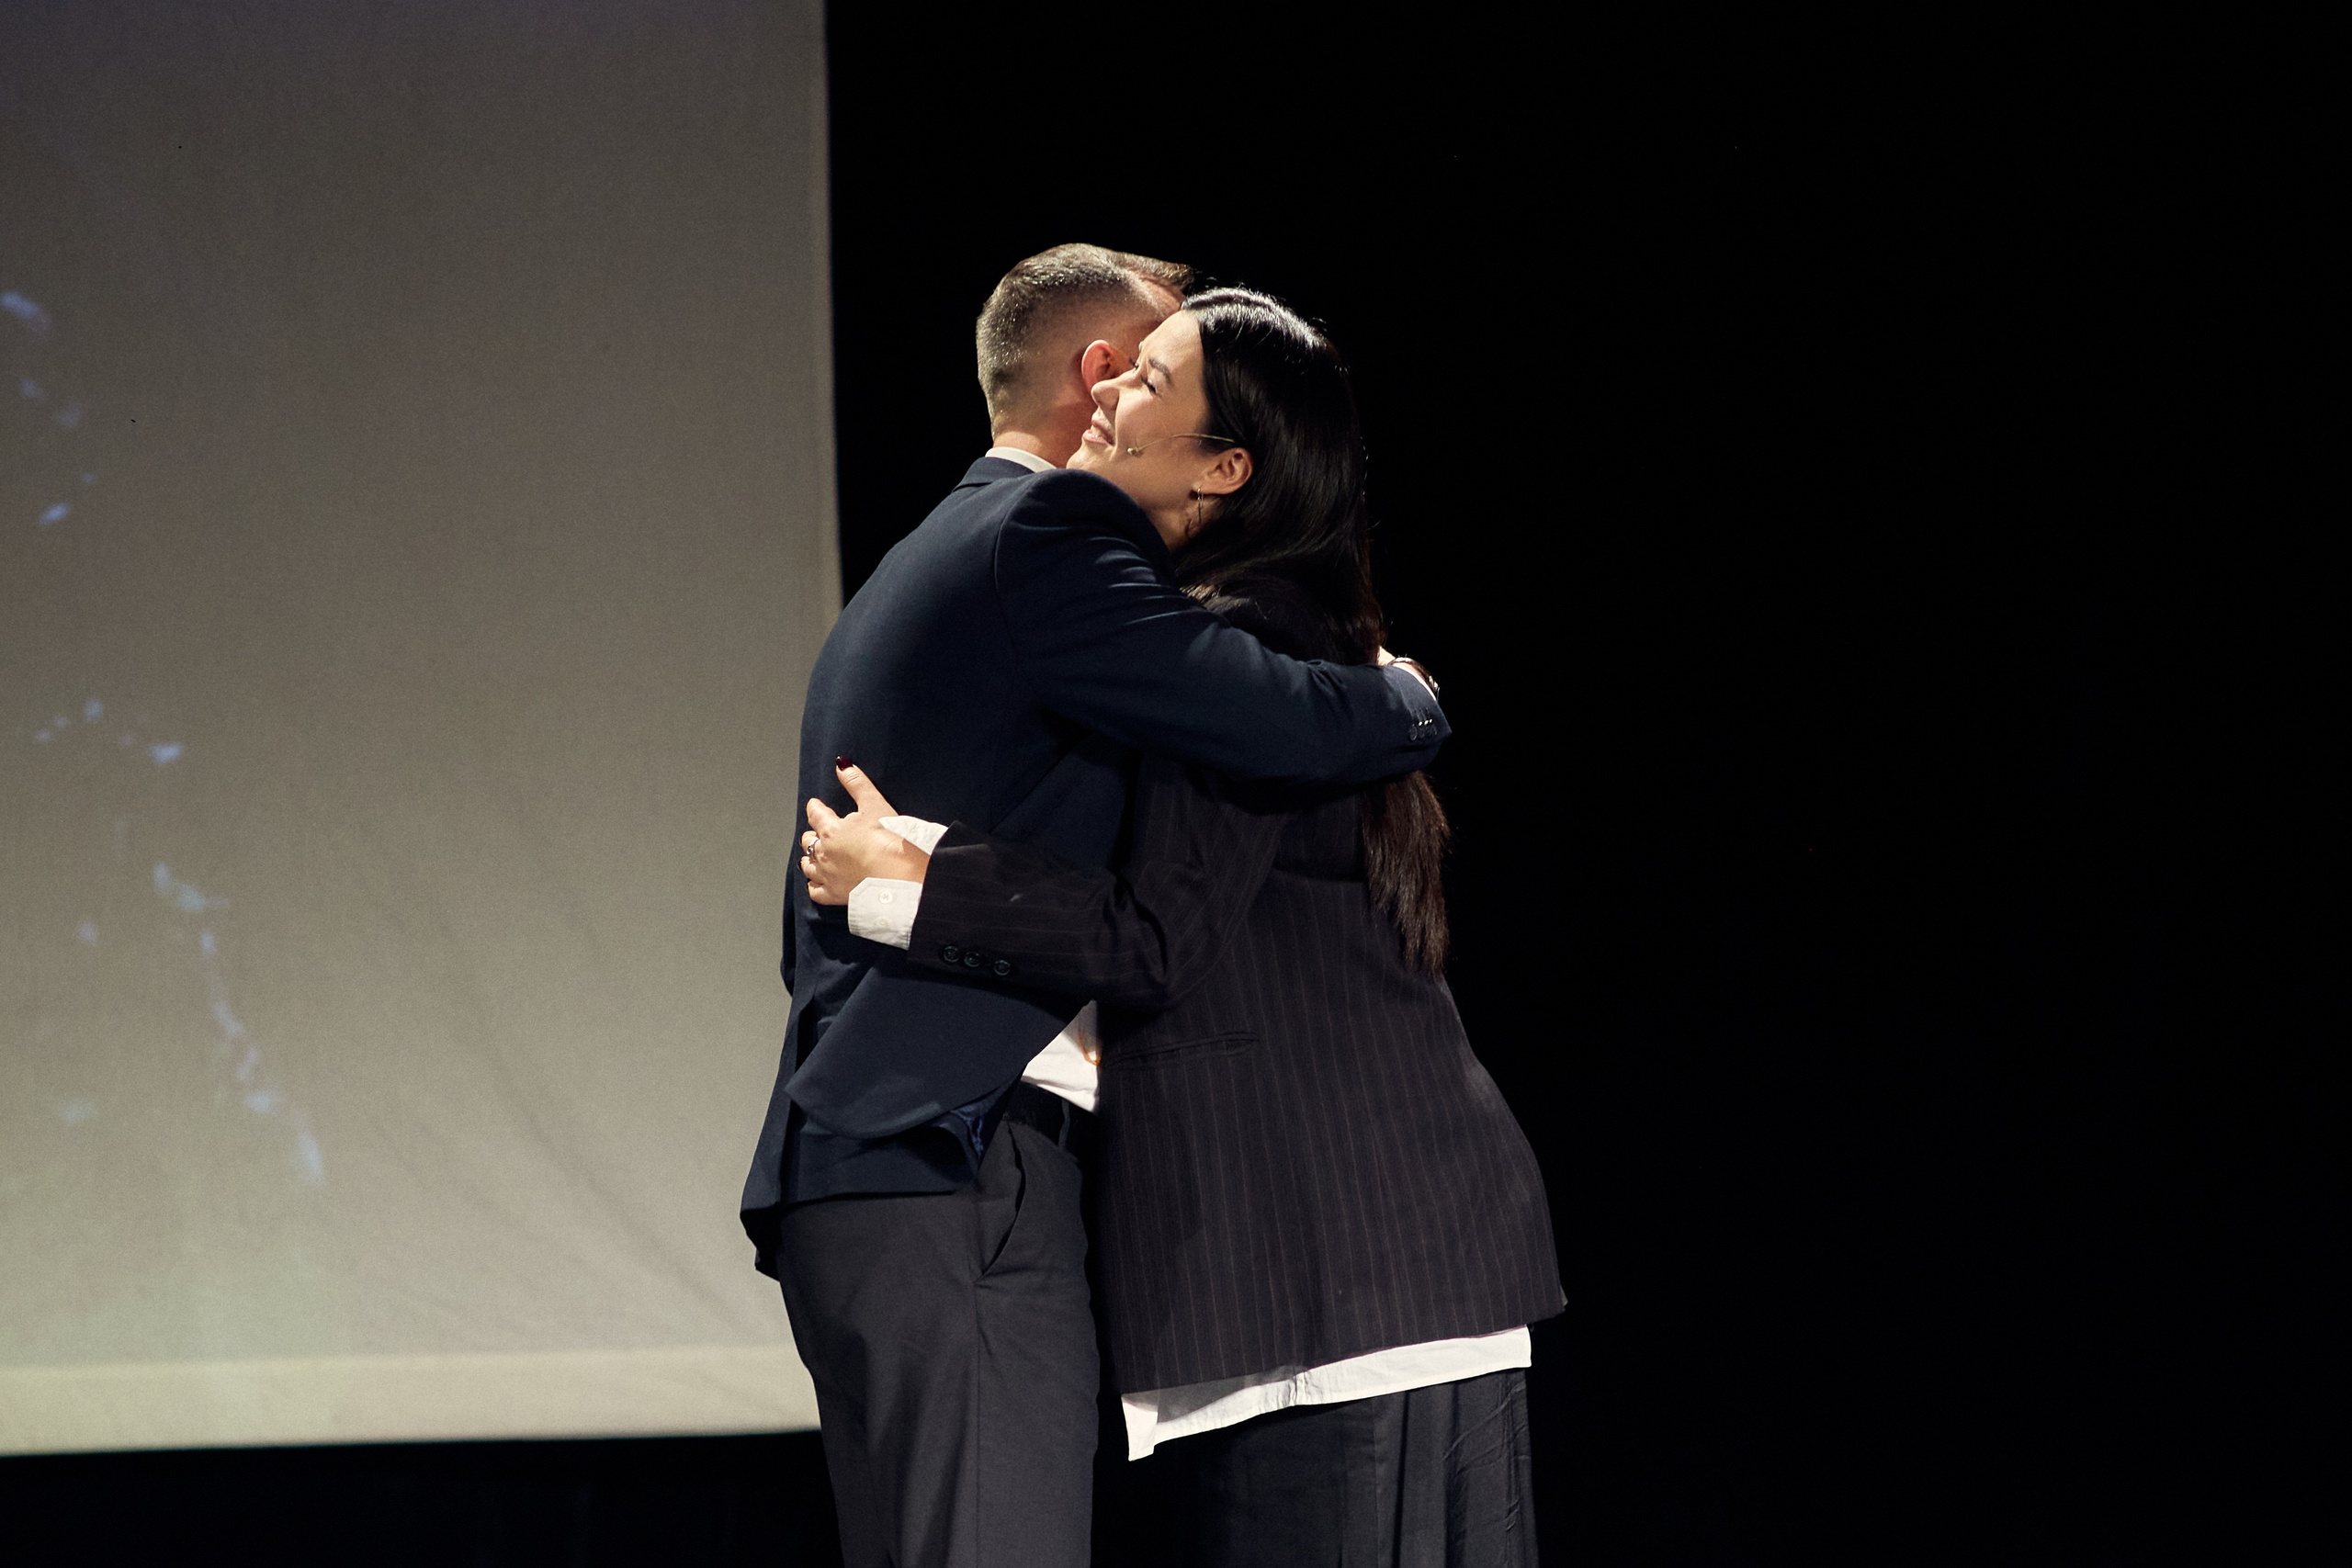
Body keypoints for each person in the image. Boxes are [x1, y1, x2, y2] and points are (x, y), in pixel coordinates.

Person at [800, 288, 1562, 1567]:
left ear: (1225, 468)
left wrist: (914, 881)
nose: (1108, 394)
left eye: (1150, 381)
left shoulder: (1245, 642)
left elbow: (1159, 935)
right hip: (1364, 1274)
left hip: (1339, 1283)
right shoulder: (1281, 646)